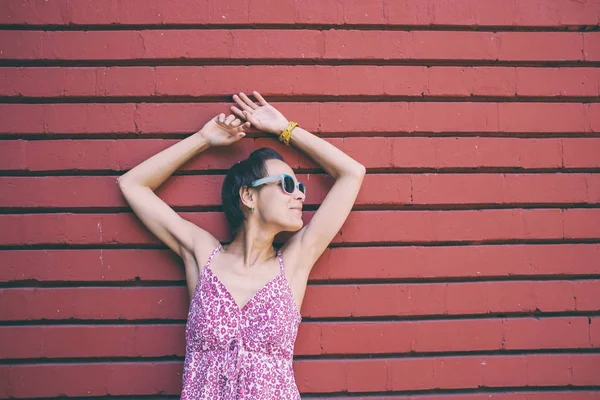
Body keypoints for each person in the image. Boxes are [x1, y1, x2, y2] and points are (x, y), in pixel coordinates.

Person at [117, 91, 365, 399]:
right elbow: (132, 184)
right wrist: (203, 139)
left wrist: (285, 129)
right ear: (248, 196)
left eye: (300, 187)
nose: (300, 195)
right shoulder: (203, 255)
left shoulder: (295, 262)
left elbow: (353, 173)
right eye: (287, 185)